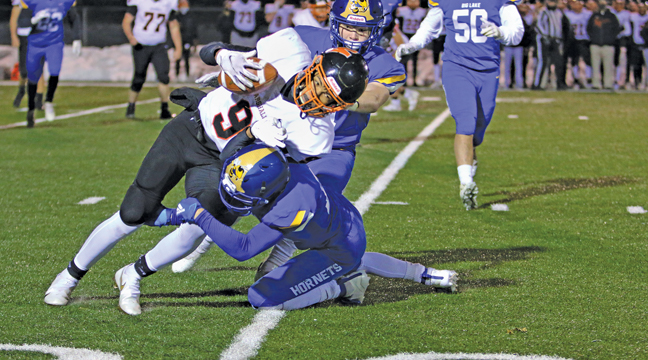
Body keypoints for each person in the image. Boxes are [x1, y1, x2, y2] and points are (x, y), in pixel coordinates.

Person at [42, 29, 366, 308]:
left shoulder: (315, 135)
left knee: (196, 227)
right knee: (134, 211)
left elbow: (262, 162)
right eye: (320, 85)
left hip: (226, 159)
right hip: (190, 130)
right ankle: (69, 277)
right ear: (314, 68)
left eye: (327, 99)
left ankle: (133, 274)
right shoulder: (289, 50)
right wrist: (225, 55)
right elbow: (207, 50)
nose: (315, 98)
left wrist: (253, 144)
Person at [170, 0, 408, 273]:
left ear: (374, 32)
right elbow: (261, 59)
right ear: (334, 23)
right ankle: (207, 239)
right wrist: (235, 76)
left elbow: (374, 98)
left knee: (312, 201)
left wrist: (340, 97)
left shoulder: (384, 63)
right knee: (243, 182)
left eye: (362, 30)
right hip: (283, 132)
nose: (353, 35)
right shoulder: (306, 36)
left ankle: (278, 258)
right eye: (348, 27)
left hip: (333, 149)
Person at [114, 144, 457, 313]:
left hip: (337, 245)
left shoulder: (290, 209)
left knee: (261, 297)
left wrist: (200, 216)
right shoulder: (284, 163)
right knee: (354, 255)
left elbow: (244, 249)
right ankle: (427, 274)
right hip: (343, 221)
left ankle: (341, 288)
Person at [394, 0, 524, 210]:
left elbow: (517, 33)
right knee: (466, 121)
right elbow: (429, 28)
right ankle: (466, 183)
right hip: (457, 68)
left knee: (478, 130)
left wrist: (500, 32)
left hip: (488, 71)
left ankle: (469, 159)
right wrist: (412, 44)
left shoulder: (500, 2)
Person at [21, 0, 82, 128]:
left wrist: (77, 38)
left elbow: (74, 17)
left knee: (54, 72)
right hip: (35, 44)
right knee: (33, 78)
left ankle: (48, 101)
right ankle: (31, 109)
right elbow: (22, 22)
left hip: (54, 43)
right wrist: (33, 21)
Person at [122, 0, 182, 119]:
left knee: (163, 76)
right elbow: (126, 21)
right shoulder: (139, 2)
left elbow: (173, 26)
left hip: (159, 45)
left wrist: (178, 48)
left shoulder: (168, 3)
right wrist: (131, 37)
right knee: (139, 77)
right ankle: (131, 107)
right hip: (141, 45)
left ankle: (165, 109)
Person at [10, 0, 45, 110]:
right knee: (24, 71)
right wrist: (14, 37)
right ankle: (21, 90)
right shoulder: (20, 2)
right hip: (24, 38)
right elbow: (13, 20)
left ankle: (39, 100)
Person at [532, 0, 570, 90]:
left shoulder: (559, 13)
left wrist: (558, 38)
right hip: (544, 40)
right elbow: (538, 26)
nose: (552, 3)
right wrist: (546, 36)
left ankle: (560, 84)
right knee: (542, 62)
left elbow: (560, 27)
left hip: (555, 40)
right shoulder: (543, 12)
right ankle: (537, 84)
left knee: (559, 62)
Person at [587, 0, 620, 89]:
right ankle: (596, 83)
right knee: (595, 65)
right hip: (595, 44)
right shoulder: (594, 16)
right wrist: (593, 38)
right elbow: (589, 29)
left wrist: (611, 39)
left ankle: (608, 84)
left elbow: (616, 29)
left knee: (608, 66)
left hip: (608, 44)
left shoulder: (612, 17)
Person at [564, 0, 593, 88]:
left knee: (587, 60)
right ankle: (576, 78)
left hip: (585, 39)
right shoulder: (567, 14)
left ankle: (588, 78)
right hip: (572, 40)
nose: (576, 5)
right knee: (574, 60)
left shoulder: (588, 14)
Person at [610, 0, 632, 88]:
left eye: (621, 4)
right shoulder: (610, 12)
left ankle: (620, 81)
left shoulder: (626, 14)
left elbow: (628, 31)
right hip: (610, 41)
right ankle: (611, 80)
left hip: (621, 41)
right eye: (617, 3)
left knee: (621, 62)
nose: (619, 6)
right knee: (610, 62)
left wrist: (618, 33)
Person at [175, 0, 198, 82]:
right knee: (178, 59)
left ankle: (187, 75)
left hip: (187, 41)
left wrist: (194, 43)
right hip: (178, 41)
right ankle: (176, 75)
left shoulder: (191, 17)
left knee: (186, 59)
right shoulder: (176, 16)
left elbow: (194, 30)